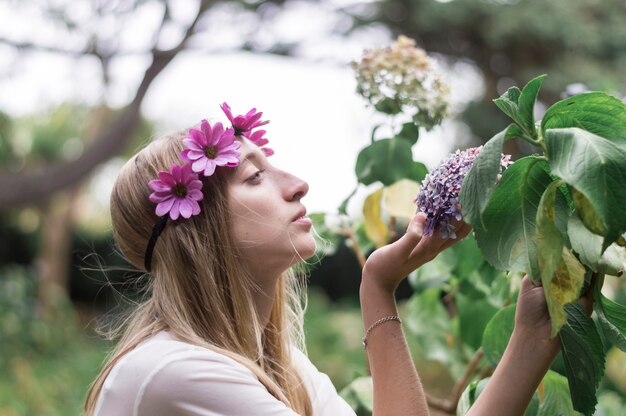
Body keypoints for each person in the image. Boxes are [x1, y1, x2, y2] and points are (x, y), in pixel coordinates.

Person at [85, 103, 577, 416]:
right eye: (255, 177)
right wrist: (377, 286)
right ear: (198, 227)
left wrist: (533, 337)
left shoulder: (285, 370)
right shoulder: (176, 370)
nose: (298, 184)